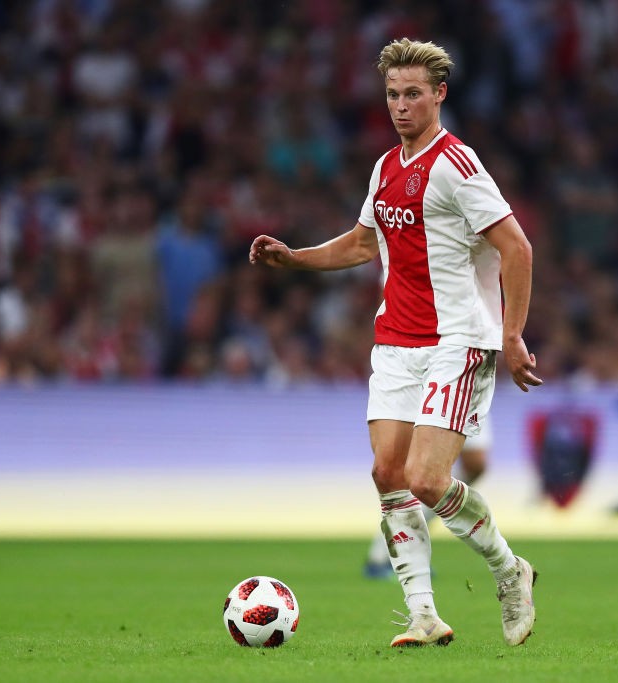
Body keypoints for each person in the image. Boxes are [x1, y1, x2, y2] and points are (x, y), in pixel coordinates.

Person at [249, 38, 542, 647]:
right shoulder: (386, 168)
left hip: (457, 338)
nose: (401, 106)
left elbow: (517, 246)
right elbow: (362, 244)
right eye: (392, 95)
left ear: (439, 95)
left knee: (428, 479)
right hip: (396, 341)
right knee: (388, 473)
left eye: (413, 94)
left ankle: (509, 569)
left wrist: (511, 335)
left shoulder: (458, 166)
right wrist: (294, 257)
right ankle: (424, 614)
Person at [362, 415, 492, 579]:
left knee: (474, 464)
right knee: (423, 467)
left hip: (473, 391)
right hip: (436, 391)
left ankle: (408, 539)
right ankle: (385, 554)